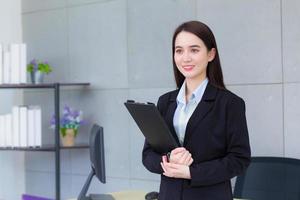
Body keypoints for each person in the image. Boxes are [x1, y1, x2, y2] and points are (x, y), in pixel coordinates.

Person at [142, 21, 251, 200]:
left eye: (194, 50)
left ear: (211, 54)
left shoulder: (229, 104)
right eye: (179, 50)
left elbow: (239, 159)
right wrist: (168, 160)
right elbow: (148, 155)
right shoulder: (165, 102)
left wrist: (192, 173)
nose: (185, 58)